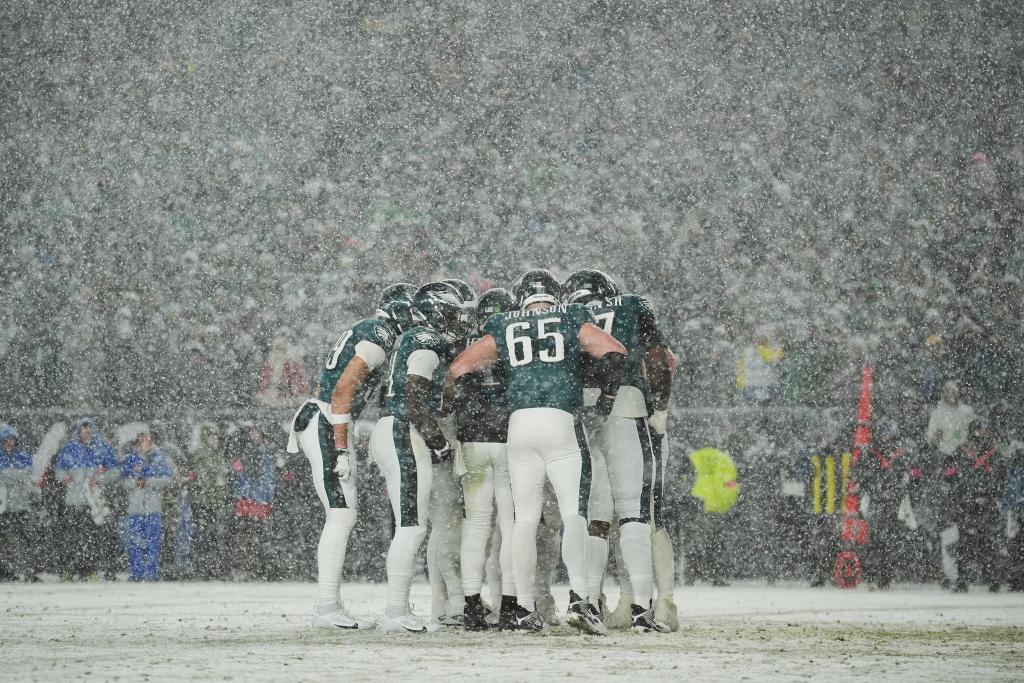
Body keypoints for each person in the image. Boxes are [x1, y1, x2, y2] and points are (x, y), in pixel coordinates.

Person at [449, 268, 627, 634]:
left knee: (525, 519)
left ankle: (524, 607)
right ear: (555, 295)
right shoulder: (571, 316)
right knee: (574, 513)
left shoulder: (503, 322)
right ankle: (581, 600)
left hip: (519, 426)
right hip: (560, 420)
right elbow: (614, 351)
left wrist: (490, 407)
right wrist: (605, 395)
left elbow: (461, 366)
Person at [285, 282, 413, 629]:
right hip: (329, 419)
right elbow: (342, 390)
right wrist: (341, 446)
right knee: (341, 516)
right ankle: (326, 608)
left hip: (328, 418)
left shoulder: (367, 327)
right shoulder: (380, 334)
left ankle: (330, 605)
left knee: (343, 515)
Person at [560, 269, 672, 633]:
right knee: (633, 513)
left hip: (581, 413)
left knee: (596, 515)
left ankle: (589, 601)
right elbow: (658, 357)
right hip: (624, 405)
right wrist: (659, 410)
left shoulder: (567, 315)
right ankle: (642, 609)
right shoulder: (631, 305)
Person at [368, 281, 473, 634]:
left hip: (393, 427)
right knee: (411, 528)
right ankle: (396, 611)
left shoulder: (412, 338)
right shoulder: (426, 341)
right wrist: (438, 441)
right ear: (438, 311)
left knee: (411, 526)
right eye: (454, 314)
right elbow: (414, 397)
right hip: (404, 431)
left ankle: (399, 609)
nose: (459, 322)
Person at [454, 288, 516, 630]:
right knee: (511, 527)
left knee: (476, 527)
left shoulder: (467, 343)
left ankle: (472, 606)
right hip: (509, 439)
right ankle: (510, 605)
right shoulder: (515, 339)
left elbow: (452, 381)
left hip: (472, 439)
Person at [940, 417, 1007, 592]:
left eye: (985, 430)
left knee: (989, 542)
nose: (983, 433)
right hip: (967, 502)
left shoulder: (994, 453)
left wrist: (994, 493)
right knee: (965, 543)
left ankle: (993, 580)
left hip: (988, 501)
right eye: (980, 430)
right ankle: (963, 580)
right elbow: (948, 474)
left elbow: (1002, 477)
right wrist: (958, 487)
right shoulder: (962, 451)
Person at [53, 418, 118, 579]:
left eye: (90, 429)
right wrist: (63, 477)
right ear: (78, 431)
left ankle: (90, 569)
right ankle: (71, 569)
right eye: (84, 429)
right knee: (73, 536)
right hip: (74, 499)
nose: (87, 432)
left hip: (94, 501)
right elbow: (59, 469)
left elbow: (115, 471)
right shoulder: (69, 448)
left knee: (93, 536)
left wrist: (100, 479)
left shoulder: (102, 447)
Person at [858, 417, 913, 589]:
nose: (886, 436)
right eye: (884, 432)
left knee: (890, 540)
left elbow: (906, 475)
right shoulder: (871, 452)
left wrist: (898, 486)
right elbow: (863, 474)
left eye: (889, 433)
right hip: (877, 499)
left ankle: (886, 576)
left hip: (893, 501)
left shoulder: (899, 453)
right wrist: (876, 487)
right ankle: (872, 576)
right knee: (874, 539)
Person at [119, 429, 173, 581]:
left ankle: (151, 573)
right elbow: (122, 480)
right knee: (135, 542)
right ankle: (136, 573)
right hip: (135, 507)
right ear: (138, 441)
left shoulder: (160, 459)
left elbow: (168, 479)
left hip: (153, 507)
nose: (145, 443)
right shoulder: (131, 459)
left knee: (152, 542)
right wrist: (134, 483)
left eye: (148, 440)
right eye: (142, 440)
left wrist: (149, 482)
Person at [184, 422, 233, 579]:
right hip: (203, 501)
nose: (215, 440)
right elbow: (205, 479)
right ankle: (203, 568)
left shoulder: (215, 454)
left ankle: (209, 568)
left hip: (213, 501)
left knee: (211, 536)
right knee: (204, 535)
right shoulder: (201, 455)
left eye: (216, 437)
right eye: (212, 437)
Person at [0, 424, 36, 581]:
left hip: (21, 505)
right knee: (4, 541)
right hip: (3, 506)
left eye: (11, 439)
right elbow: (23, 475)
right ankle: (6, 571)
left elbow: (29, 474)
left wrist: (6, 475)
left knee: (25, 540)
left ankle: (27, 571)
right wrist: (17, 476)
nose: (9, 442)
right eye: (6, 439)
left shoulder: (23, 456)